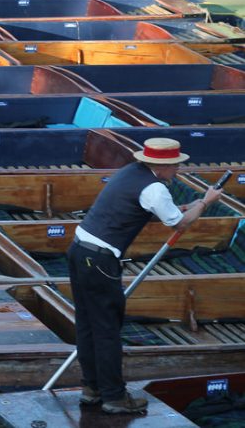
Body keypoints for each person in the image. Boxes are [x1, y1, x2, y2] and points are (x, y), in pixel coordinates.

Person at [67, 138, 224, 415]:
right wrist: (207, 202)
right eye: (175, 165)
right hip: (100, 260)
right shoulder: (154, 188)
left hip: (79, 252)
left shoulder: (130, 173)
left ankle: (91, 389)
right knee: (107, 331)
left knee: (88, 325)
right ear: (162, 166)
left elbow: (146, 210)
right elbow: (181, 224)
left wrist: (186, 207)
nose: (178, 170)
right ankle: (114, 397)